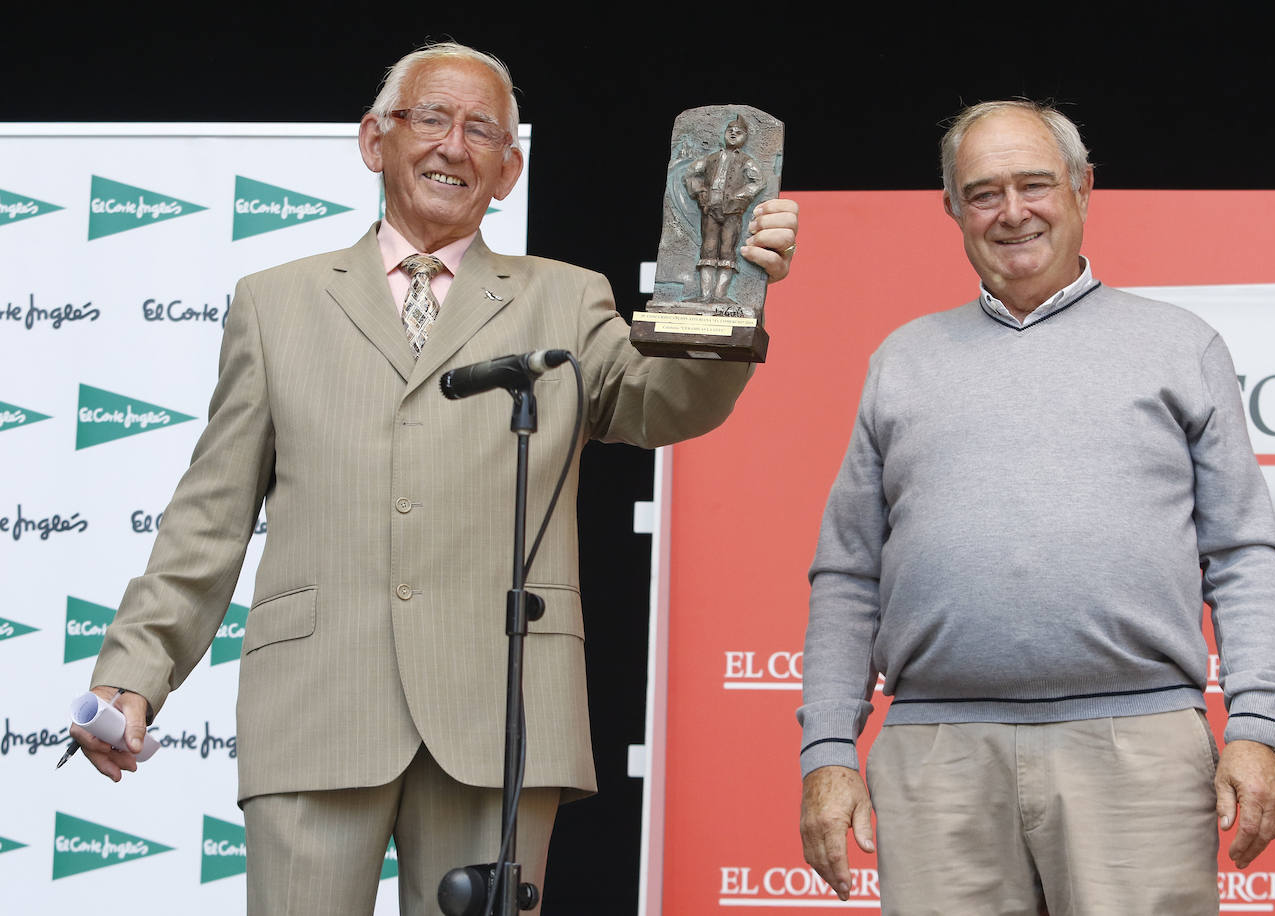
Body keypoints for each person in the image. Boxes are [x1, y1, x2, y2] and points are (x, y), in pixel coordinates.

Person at [71, 41, 798, 916]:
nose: (454, 146)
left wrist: (736, 302)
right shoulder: (276, 302)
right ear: (376, 140)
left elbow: (664, 403)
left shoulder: (568, 298)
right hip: (315, 706)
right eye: (431, 119)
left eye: (482, 130)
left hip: (501, 710)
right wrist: (133, 671)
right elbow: (209, 517)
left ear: (508, 171)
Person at [797, 100, 1275, 915]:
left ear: (1084, 188)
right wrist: (827, 752)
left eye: (1035, 184)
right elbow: (849, 573)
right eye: (984, 192)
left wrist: (1258, 729)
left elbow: (1242, 554)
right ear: (953, 209)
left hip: (1140, 752)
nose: (1013, 212)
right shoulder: (902, 360)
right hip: (936, 759)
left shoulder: (1181, 346)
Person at [685, 114, 765, 303]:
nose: (733, 134)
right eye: (730, 131)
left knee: (728, 250)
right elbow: (690, 173)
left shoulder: (746, 161)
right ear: (724, 133)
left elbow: (758, 181)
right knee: (708, 248)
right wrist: (700, 191)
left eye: (738, 132)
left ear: (745, 137)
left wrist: (740, 196)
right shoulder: (711, 158)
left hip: (732, 212)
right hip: (710, 210)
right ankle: (705, 296)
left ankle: (720, 297)